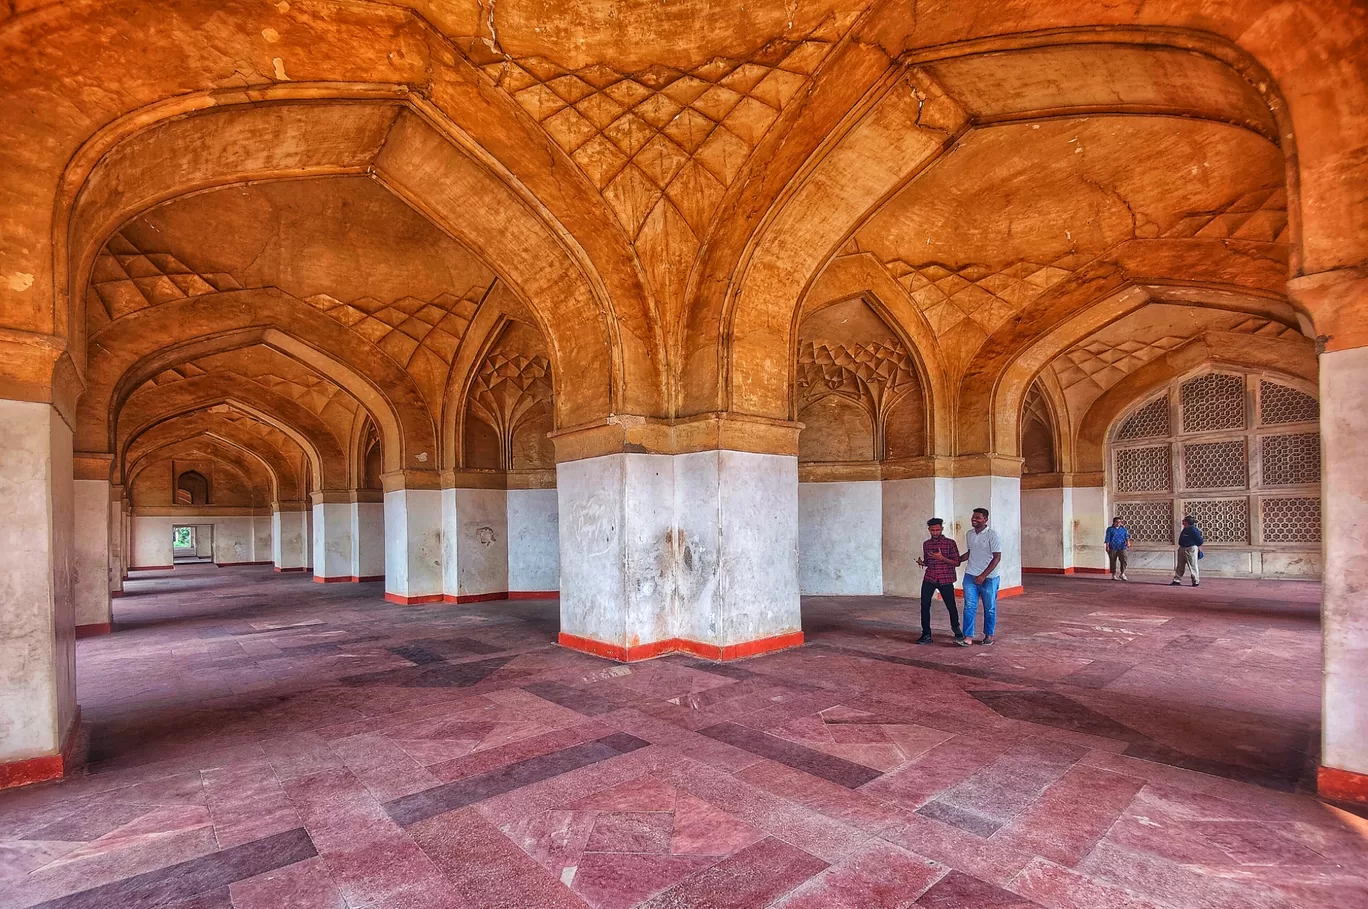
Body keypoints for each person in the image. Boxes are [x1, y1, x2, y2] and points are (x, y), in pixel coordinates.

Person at [949, 507, 1001, 646]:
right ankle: (968, 637)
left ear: (985, 519)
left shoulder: (992, 535)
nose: (974, 519)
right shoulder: (970, 534)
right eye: (973, 517)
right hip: (970, 576)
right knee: (969, 606)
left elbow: (997, 557)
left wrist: (983, 575)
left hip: (989, 578)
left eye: (978, 517)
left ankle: (988, 635)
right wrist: (957, 560)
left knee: (989, 607)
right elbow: (971, 552)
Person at [915, 518, 965, 645]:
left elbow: (957, 562)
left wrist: (942, 558)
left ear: (942, 529)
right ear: (929, 530)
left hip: (945, 578)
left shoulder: (950, 543)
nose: (935, 532)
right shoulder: (926, 544)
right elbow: (928, 561)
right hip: (930, 578)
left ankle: (957, 631)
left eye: (937, 530)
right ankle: (926, 634)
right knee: (924, 606)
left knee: (951, 606)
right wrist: (923, 563)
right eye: (932, 530)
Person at [1172, 515, 1204, 587]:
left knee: (1192, 565)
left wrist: (1195, 546)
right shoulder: (1185, 529)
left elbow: (1200, 541)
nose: (1182, 521)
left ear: (1187, 522)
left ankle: (1196, 581)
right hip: (1182, 548)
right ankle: (1177, 580)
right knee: (1180, 566)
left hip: (1190, 549)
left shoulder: (1193, 530)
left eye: (1184, 521)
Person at [1105, 516, 1130, 581]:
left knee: (1124, 560)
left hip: (1122, 546)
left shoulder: (1123, 529)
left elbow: (1126, 537)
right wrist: (1107, 546)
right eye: (1117, 522)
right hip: (1112, 547)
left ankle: (1122, 573)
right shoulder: (1110, 529)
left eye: (1120, 522)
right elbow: (1107, 538)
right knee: (1113, 561)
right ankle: (1113, 575)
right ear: (1114, 522)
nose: (1118, 523)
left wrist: (1128, 542)